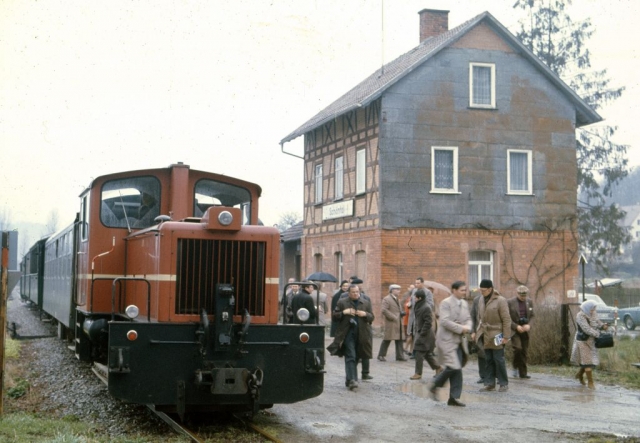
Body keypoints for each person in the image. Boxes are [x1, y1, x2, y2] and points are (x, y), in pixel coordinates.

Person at [429, 281, 472, 406]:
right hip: (446, 340)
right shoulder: (446, 303)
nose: (465, 292)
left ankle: (453, 397)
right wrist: (460, 328)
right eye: (462, 290)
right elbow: (444, 321)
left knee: (457, 368)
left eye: (465, 290)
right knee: (454, 366)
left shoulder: (464, 303)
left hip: (459, 340)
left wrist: (468, 327)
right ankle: (435, 385)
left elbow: (468, 318)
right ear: (454, 290)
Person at [327, 284, 375, 390]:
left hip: (362, 334)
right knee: (350, 356)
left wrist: (365, 314)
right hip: (348, 333)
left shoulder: (365, 303)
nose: (356, 294)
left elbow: (372, 317)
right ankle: (353, 380)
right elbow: (334, 317)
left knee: (357, 356)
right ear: (349, 293)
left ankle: (349, 379)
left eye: (357, 292)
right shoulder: (342, 302)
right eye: (353, 292)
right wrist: (344, 312)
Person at [477, 279, 511, 392]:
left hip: (498, 334)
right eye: (480, 290)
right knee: (488, 359)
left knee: (498, 359)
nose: (481, 292)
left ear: (490, 289)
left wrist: (506, 336)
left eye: (484, 290)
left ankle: (503, 383)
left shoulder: (501, 300)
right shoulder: (481, 300)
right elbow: (479, 317)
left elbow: (506, 320)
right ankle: (489, 383)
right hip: (486, 333)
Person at [571, 299, 609, 389]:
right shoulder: (580, 315)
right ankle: (590, 383)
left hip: (592, 340)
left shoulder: (594, 313)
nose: (593, 310)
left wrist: (603, 325)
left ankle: (580, 374)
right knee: (587, 362)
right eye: (592, 309)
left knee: (591, 361)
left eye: (594, 308)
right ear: (587, 308)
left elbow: (597, 321)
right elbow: (586, 329)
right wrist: (597, 334)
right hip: (583, 341)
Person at [410, 288, 442, 380]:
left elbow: (428, 322)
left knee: (419, 354)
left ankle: (418, 373)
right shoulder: (419, 305)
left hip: (425, 335)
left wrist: (422, 333)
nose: (414, 299)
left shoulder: (426, 307)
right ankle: (438, 368)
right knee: (427, 354)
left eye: (415, 297)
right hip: (421, 333)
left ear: (419, 298)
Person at [508, 285, 535, 379]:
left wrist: (529, 325)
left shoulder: (529, 301)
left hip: (525, 329)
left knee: (524, 351)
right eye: (521, 295)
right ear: (517, 293)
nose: (523, 297)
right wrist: (516, 326)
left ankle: (523, 373)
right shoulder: (510, 302)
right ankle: (515, 366)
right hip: (514, 330)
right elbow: (507, 318)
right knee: (518, 348)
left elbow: (532, 316)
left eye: (525, 295)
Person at [377, 284, 407, 362]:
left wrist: (401, 313)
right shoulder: (387, 299)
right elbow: (384, 310)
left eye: (399, 289)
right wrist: (394, 317)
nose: (399, 291)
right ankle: (381, 355)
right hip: (391, 322)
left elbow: (397, 309)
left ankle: (400, 356)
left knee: (399, 339)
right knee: (387, 339)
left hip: (398, 322)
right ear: (392, 290)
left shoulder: (397, 299)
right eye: (397, 289)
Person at [407, 277, 435, 359]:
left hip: (422, 317)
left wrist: (423, 308)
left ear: (423, 283)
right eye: (416, 283)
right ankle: (414, 352)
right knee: (413, 334)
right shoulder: (414, 291)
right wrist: (410, 303)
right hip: (413, 316)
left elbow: (431, 304)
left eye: (418, 283)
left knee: (420, 334)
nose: (417, 285)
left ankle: (422, 352)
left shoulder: (428, 292)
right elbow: (412, 300)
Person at [470, 291, 488, 384]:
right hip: (479, 330)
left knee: (494, 353)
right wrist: (472, 331)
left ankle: (494, 375)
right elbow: (472, 316)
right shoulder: (476, 300)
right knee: (481, 353)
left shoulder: (496, 299)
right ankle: (483, 376)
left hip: (492, 331)